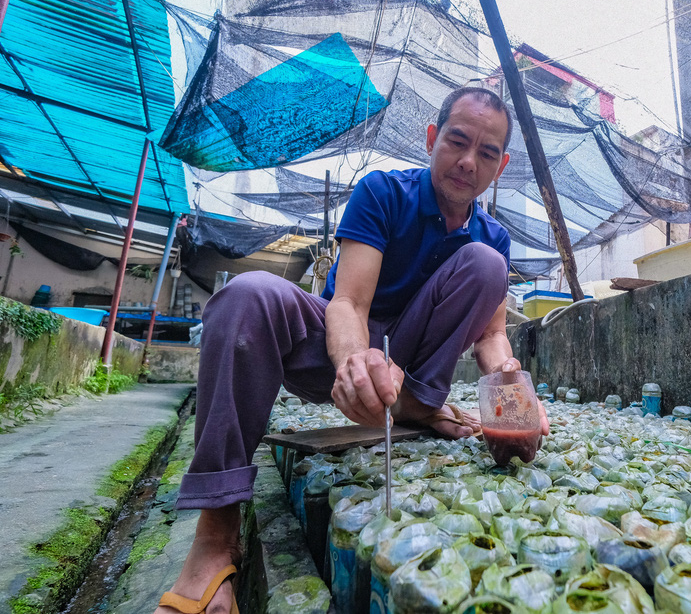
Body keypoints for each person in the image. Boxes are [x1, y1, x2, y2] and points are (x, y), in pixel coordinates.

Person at [155, 86, 550, 614]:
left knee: (485, 264)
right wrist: (353, 361)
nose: (466, 161)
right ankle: (215, 531)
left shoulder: (492, 237)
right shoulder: (384, 192)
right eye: (457, 141)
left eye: (485, 153)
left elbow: (492, 335)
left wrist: (511, 387)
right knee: (244, 297)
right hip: (338, 346)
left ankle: (415, 403)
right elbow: (349, 302)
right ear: (432, 139)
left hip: (406, 364)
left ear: (499, 167)